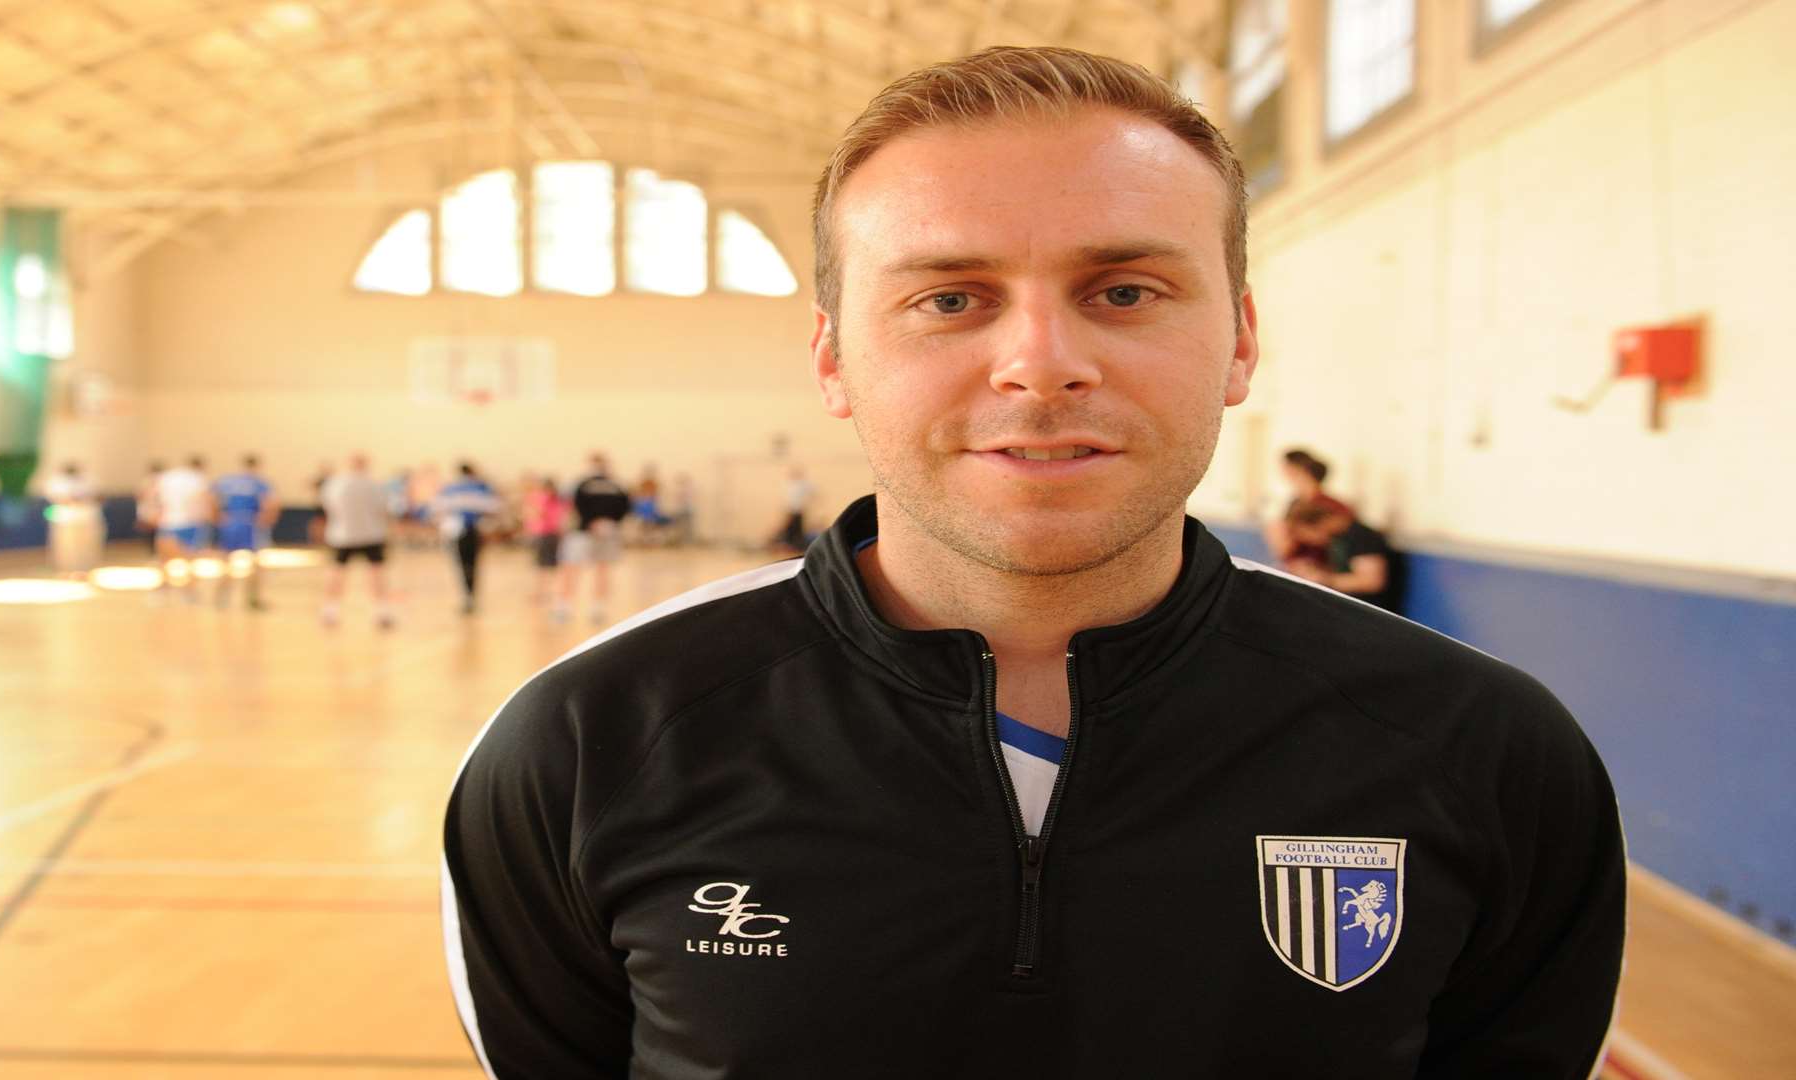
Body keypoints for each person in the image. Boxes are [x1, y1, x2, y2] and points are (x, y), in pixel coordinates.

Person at [442, 48, 1623, 1078]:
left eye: (1123, 290)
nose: (1040, 363)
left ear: (1240, 339)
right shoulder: (591, 743)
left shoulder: (1484, 751)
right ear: (833, 358)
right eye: (950, 297)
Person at [1283, 499, 1403, 614]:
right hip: (1350, 607)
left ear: (1315, 524)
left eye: (1305, 534)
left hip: (1370, 610)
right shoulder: (1338, 539)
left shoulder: (1361, 536)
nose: (1309, 541)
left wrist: (1325, 580)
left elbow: (1372, 582)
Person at [319, 453, 395, 629]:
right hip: (369, 534)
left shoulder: (335, 484)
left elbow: (328, 506)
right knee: (374, 573)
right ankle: (381, 612)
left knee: (339, 572)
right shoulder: (374, 484)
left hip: (344, 535)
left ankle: (331, 611)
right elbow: (383, 508)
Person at [555, 452, 632, 625]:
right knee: (575, 568)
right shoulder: (613, 484)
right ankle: (567, 606)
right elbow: (625, 506)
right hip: (593, 531)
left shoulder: (591, 484)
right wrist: (606, 522)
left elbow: (577, 504)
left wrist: (600, 522)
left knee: (597, 569)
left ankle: (593, 607)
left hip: (592, 532)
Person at [432, 462, 505, 615]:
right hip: (474, 531)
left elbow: (437, 508)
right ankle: (471, 596)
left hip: (459, 532)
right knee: (473, 564)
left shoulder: (451, 488)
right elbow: (495, 506)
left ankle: (467, 596)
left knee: (462, 565)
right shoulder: (481, 487)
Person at [211, 453, 278, 610]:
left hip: (230, 523)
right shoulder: (259, 483)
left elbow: (210, 498)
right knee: (255, 562)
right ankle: (253, 600)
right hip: (249, 523)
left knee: (227, 560)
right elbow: (271, 504)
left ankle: (220, 598)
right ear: (256, 466)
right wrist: (265, 519)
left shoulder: (227, 481)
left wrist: (217, 517)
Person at [1265, 447, 1352, 564]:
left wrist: (1293, 533)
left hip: (1319, 568)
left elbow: (1338, 539)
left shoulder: (1332, 506)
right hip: (1295, 566)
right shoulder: (1295, 503)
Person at [152, 455, 211, 602]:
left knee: (164, 556)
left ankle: (163, 586)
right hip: (189, 522)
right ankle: (190, 589)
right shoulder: (198, 479)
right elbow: (205, 499)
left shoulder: (168, 477)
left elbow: (153, 495)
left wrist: (154, 514)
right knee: (190, 556)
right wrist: (207, 515)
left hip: (168, 520)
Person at [42, 460, 103, 577]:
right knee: (67, 546)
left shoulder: (89, 479)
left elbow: (99, 495)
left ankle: (86, 569)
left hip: (87, 517)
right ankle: (66, 569)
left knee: (87, 546)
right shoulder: (57, 481)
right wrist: (72, 499)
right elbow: (59, 498)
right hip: (66, 519)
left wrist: (86, 498)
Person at [521, 475, 568, 605]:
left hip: (547, 535)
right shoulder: (554, 500)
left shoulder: (550, 500)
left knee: (545, 565)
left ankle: (544, 592)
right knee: (545, 565)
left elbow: (543, 515)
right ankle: (544, 591)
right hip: (548, 534)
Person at [770, 463, 815, 553]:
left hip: (798, 512)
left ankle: (796, 547)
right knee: (789, 531)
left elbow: (812, 493)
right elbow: (788, 502)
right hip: (791, 512)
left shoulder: (803, 484)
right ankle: (789, 547)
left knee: (797, 531)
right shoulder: (790, 485)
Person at [133, 461, 164, 559]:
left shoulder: (162, 481)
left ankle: (156, 551)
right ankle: (154, 552)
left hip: (156, 509)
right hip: (151, 509)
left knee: (157, 532)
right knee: (152, 532)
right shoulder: (147, 481)